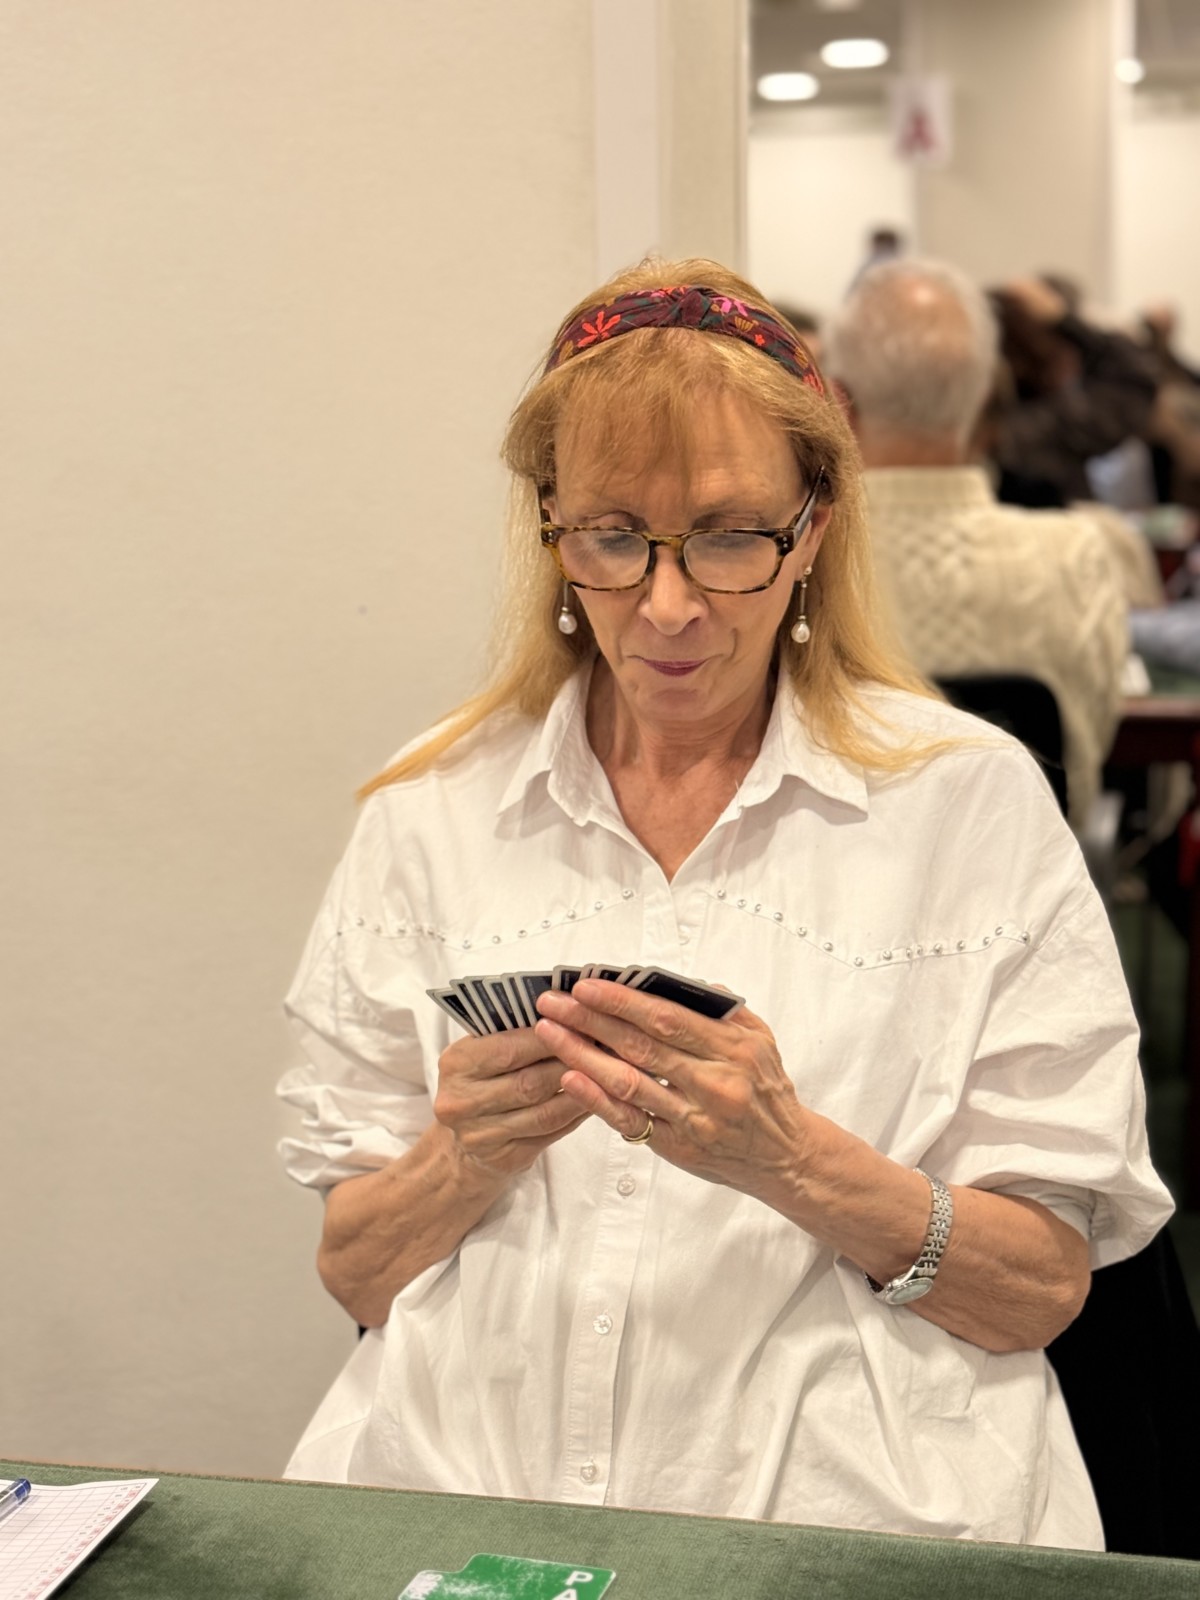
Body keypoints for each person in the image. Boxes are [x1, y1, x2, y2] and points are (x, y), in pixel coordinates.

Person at [277, 259, 1171, 1549]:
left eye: (731, 536)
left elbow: (1037, 1287)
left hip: (853, 1528)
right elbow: (358, 1274)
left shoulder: (967, 808)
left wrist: (794, 1160)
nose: (670, 603)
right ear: (551, 528)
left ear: (813, 529)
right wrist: (461, 1159)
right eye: (612, 536)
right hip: (465, 1506)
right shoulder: (431, 813)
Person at [824, 257, 1128, 828]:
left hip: (838, 870)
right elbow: (1082, 772)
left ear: (839, 400)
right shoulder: (1077, 557)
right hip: (1028, 867)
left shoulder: (801, 562)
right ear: (984, 395)